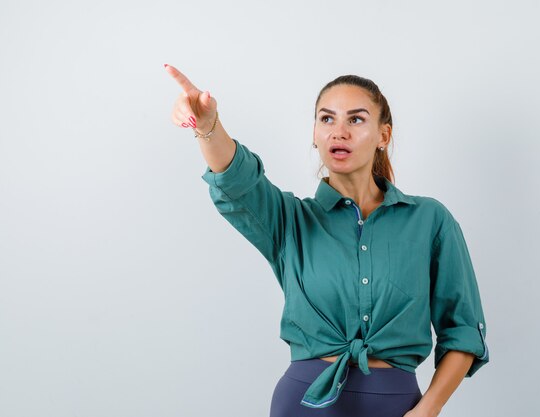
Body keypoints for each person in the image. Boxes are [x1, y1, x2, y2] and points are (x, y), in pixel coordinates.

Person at [164, 64, 490, 417]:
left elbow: (463, 329)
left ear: (384, 135)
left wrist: (428, 409)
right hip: (304, 403)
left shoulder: (430, 220)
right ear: (315, 134)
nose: (339, 132)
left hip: (398, 406)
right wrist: (209, 126)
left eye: (356, 120)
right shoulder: (289, 220)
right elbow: (237, 181)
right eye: (327, 119)